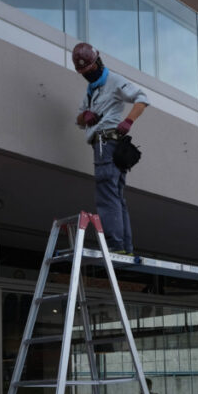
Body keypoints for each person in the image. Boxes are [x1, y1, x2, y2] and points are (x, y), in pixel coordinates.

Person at [73, 41, 149, 254]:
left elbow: (141, 99)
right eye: (84, 72)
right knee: (115, 195)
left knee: (107, 194)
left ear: (98, 62)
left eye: (89, 70)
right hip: (104, 143)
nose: (87, 75)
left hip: (106, 143)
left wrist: (129, 121)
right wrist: (84, 116)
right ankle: (124, 246)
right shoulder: (91, 90)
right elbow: (78, 119)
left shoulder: (114, 81)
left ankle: (115, 244)